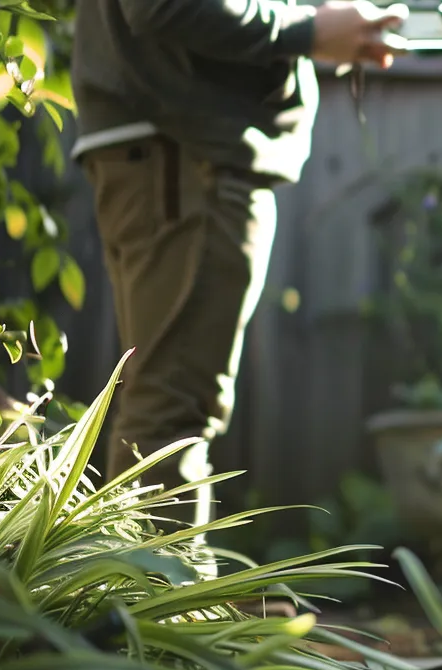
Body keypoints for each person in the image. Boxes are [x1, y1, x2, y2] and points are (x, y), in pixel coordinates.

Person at [71, 1, 405, 540]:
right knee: (173, 402)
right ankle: (155, 608)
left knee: (166, 394)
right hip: (186, 144)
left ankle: (142, 602)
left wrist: (309, 28)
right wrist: (306, 27)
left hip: (170, 144)